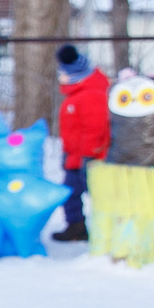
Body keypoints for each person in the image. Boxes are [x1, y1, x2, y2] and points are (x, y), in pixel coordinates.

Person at [53, 43, 109, 241]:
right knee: (70, 195)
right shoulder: (78, 94)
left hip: (89, 158)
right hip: (76, 157)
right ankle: (76, 228)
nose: (61, 77)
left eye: (63, 73)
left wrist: (88, 155)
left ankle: (107, 230)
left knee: (98, 196)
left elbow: (95, 128)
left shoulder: (91, 95)